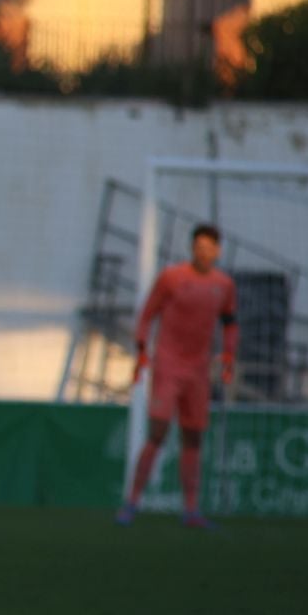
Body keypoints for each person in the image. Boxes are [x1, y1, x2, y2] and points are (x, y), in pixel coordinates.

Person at [116, 224, 239, 530]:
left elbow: (230, 323)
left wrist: (227, 356)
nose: (204, 252)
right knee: (157, 432)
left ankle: (191, 510)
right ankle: (131, 502)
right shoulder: (172, 277)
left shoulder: (223, 285)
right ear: (192, 248)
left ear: (217, 251)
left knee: (194, 437)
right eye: (199, 246)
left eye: (209, 247)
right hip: (169, 366)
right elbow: (147, 314)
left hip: (199, 371)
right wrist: (143, 349)